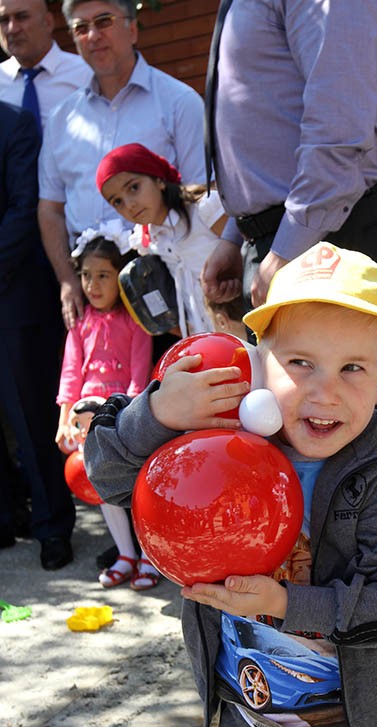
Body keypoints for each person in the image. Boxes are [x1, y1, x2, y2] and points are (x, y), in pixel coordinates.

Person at [84, 242, 377, 727]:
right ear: (258, 363)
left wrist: (282, 600)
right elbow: (104, 470)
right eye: (298, 362)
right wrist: (159, 412)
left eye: (353, 367)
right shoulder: (218, 433)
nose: (323, 390)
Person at [200, 0, 377, 315]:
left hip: (322, 236)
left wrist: (288, 249)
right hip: (293, 236)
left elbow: (340, 126)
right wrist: (236, 235)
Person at [38, 0, 205, 333]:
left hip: (167, 295)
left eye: (104, 21)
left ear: (132, 28)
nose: (93, 35)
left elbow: (201, 197)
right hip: (92, 297)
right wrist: (69, 281)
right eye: (81, 28)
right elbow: (51, 209)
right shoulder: (61, 120)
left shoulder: (179, 102)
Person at [56, 222, 159, 589]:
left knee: (134, 488)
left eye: (103, 275)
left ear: (122, 275)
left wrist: (125, 419)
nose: (93, 285)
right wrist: (64, 416)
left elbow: (138, 377)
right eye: (86, 276)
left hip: (120, 418)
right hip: (87, 417)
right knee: (104, 490)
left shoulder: (136, 323)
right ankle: (125, 553)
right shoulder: (80, 323)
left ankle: (150, 556)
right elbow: (70, 372)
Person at [0, 99, 76, 568]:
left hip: (12, 299)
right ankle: (5, 518)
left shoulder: (15, 124)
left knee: (29, 420)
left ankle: (52, 527)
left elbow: (25, 209)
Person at [96, 142, 227, 338]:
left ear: (158, 180)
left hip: (243, 324)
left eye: (133, 187)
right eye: (117, 201)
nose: (129, 205)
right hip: (202, 339)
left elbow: (245, 255)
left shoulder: (205, 209)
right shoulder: (144, 241)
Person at [0, 0, 90, 127]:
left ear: (48, 22)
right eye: (4, 20)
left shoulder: (87, 74)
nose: (12, 29)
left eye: (22, 17)